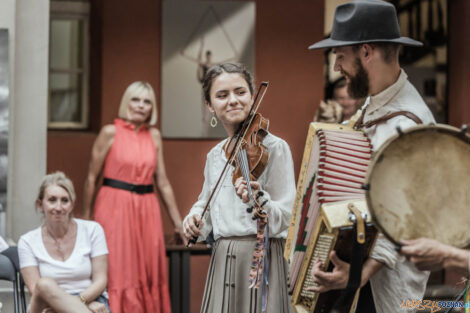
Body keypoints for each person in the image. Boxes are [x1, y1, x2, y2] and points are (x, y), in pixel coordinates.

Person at [307, 1, 436, 312]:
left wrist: (359, 275)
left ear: (366, 52)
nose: (336, 67)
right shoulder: (373, 105)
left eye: (340, 56)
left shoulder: (409, 125)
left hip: (381, 290)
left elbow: (406, 216)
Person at [182, 62, 296, 313]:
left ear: (253, 96)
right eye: (222, 95)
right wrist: (194, 220)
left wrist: (260, 200)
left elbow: (287, 217)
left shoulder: (275, 148)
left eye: (240, 92)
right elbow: (207, 205)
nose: (233, 100)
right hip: (223, 258)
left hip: (261, 257)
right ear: (210, 106)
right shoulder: (214, 156)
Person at [83, 81, 186, 313]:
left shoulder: (155, 135)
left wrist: (179, 223)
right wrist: (86, 222)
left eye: (147, 101)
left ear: (152, 108)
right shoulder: (110, 132)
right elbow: (91, 178)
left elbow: (163, 182)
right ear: (126, 102)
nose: (141, 105)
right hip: (114, 206)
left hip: (147, 209)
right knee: (119, 270)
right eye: (135, 99)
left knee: (148, 269)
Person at [18, 171, 110, 313]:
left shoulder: (93, 230)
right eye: (52, 200)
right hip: (47, 306)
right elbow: (35, 289)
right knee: (44, 285)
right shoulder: (27, 241)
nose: (59, 207)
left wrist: (79, 303)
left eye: (65, 200)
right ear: (40, 204)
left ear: (72, 205)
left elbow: (101, 280)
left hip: (90, 299)